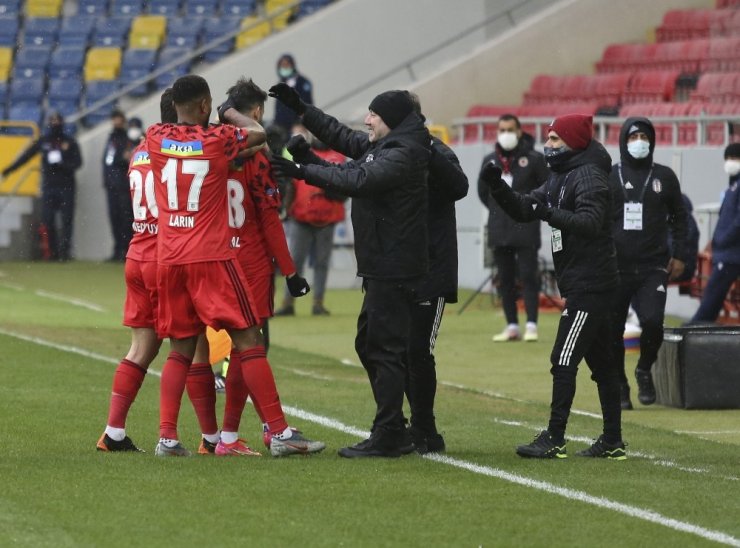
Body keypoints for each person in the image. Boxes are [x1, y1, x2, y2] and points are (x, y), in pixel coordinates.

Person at [146, 74, 324, 457]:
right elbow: (258, 133)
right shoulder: (218, 142)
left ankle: (168, 438)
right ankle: (277, 432)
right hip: (213, 257)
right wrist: (229, 113)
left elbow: (174, 126)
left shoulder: (155, 137)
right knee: (248, 340)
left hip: (170, 257)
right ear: (207, 105)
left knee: (181, 348)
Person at [269, 84, 430, 458]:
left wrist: (300, 169)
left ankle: (391, 431)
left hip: (395, 266)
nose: (368, 119)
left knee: (384, 348)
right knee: (369, 343)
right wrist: (302, 110)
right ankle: (395, 425)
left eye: (374, 114)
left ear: (390, 119)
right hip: (384, 264)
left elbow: (357, 181)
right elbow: (342, 137)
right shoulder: (387, 145)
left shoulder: (404, 152)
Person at [482, 114, 625, 460]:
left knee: (563, 359)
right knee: (603, 365)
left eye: (556, 140)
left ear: (574, 142)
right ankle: (612, 440)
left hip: (590, 284)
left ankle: (556, 436)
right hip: (588, 281)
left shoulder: (589, 174)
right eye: (548, 138)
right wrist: (499, 187)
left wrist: (546, 212)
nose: (548, 145)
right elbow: (525, 208)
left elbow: (590, 223)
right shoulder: (561, 175)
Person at [203, 76, 311, 456]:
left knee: (200, 350)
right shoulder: (258, 156)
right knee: (253, 345)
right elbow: (268, 219)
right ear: (257, 113)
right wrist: (291, 271)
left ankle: (211, 436)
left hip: (208, 257)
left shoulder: (207, 149)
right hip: (248, 262)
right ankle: (269, 430)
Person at [403, 92, 468, 454]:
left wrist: (424, 147)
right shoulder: (391, 151)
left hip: (431, 267)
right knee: (383, 347)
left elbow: (458, 186)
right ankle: (400, 423)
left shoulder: (437, 152)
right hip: (399, 267)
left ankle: (426, 429)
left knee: (417, 350)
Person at [607, 117, 687, 409]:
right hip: (616, 267)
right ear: (623, 141)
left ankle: (644, 369)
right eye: (633, 136)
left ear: (652, 140)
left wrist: (679, 254)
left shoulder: (664, 176)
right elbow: (599, 220)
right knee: (612, 329)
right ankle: (620, 385)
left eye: (644, 135)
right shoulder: (609, 175)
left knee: (652, 322)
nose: (639, 141)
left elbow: (681, 217)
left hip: (653, 266)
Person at [477, 114, 549, 342]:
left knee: (529, 277)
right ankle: (511, 325)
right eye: (502, 130)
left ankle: (531, 324)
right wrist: (497, 210)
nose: (505, 134)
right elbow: (482, 191)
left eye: (510, 129)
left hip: (526, 227)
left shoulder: (534, 159)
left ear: (519, 132)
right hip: (499, 228)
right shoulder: (490, 160)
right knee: (505, 279)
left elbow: (545, 188)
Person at [275, 125, 347, 316]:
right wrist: (286, 209)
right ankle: (288, 303)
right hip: (301, 216)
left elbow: (345, 188)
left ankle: (318, 303)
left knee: (322, 263)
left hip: (327, 217)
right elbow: (292, 184)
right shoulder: (303, 153)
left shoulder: (338, 157)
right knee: (295, 262)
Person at [1, 111, 82, 262]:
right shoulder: (44, 141)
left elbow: (78, 163)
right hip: (49, 186)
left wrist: (62, 164)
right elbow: (26, 156)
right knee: (48, 220)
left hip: (66, 187)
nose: (55, 123)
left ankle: (65, 254)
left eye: (57, 120)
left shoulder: (70, 142)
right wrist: (9, 170)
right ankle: (52, 253)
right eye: (53, 120)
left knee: (66, 221)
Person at [689, 143, 740, 323]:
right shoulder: (731, 188)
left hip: (731, 254)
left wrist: (722, 239)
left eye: (735, 158)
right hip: (726, 252)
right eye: (728, 158)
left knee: (713, 294)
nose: (730, 162)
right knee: (713, 294)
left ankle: (695, 327)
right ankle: (698, 326)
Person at [103, 109, 135, 261]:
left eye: (118, 118)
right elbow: (108, 161)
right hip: (111, 186)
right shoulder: (111, 138)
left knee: (126, 219)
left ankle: (126, 250)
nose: (116, 121)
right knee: (114, 218)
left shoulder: (127, 138)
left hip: (124, 185)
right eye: (114, 118)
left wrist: (122, 160)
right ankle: (117, 250)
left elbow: (127, 158)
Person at [272, 54, 313, 133]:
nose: (285, 68)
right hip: (282, 127)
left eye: (287, 65)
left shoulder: (303, 83)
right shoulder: (280, 85)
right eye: (282, 66)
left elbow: (307, 105)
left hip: (299, 126)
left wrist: (300, 123)